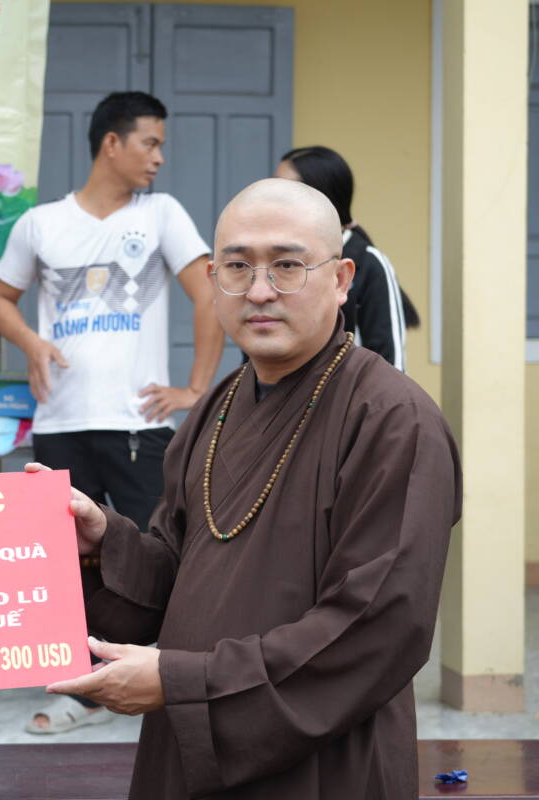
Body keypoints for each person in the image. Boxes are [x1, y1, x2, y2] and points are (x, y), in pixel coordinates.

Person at [38, 178, 461, 798]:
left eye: (288, 265)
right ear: (213, 280)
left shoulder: (393, 420)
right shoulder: (218, 406)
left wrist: (184, 683)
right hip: (190, 743)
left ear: (341, 279)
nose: (260, 291)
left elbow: (378, 627)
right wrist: (103, 541)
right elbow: (177, 570)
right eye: (238, 267)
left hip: (322, 763)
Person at [0, 91, 224, 733]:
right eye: (150, 142)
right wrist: (31, 342)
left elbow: (209, 296)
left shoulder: (163, 214)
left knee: (155, 551)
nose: (160, 157)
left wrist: (196, 389)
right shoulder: (40, 224)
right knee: (65, 561)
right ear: (111, 143)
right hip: (60, 422)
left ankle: (161, 676)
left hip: (138, 424)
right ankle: (83, 689)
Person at [275, 145, 419, 370]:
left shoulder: (369, 263)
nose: (273, 200)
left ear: (322, 195)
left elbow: (390, 363)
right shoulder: (268, 261)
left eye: (286, 191)